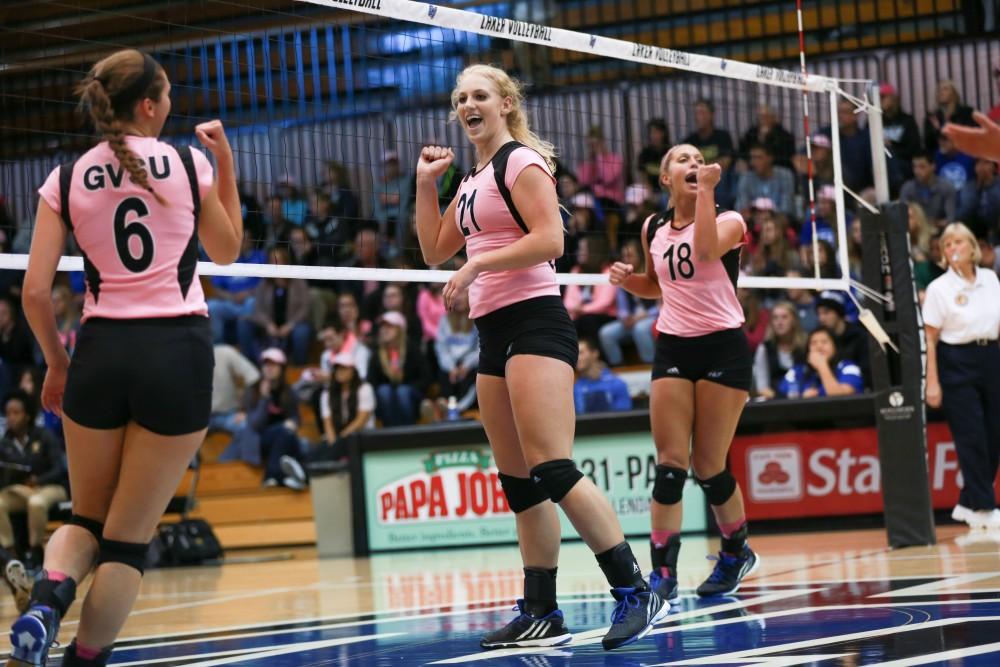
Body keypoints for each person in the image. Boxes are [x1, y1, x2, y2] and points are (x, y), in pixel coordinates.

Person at [415, 64, 666, 651]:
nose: (467, 105)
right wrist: (427, 183)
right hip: (491, 334)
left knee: (552, 466)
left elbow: (551, 240)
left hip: (535, 322)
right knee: (520, 484)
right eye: (460, 99)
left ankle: (634, 589)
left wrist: (476, 265)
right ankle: (541, 609)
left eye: (479, 95)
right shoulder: (473, 177)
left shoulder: (520, 163)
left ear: (506, 102)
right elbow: (433, 250)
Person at [15, 48, 242, 666]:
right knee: (126, 542)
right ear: (149, 105)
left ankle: (44, 603)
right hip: (177, 350)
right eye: (166, 95)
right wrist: (224, 163)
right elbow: (225, 251)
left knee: (86, 516)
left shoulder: (64, 179)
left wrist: (58, 366)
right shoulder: (187, 162)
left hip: (100, 352)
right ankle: (82, 661)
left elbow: (35, 293)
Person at [610, 143, 760, 607]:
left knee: (710, 465)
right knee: (671, 464)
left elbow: (706, 247)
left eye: (698, 159)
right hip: (674, 344)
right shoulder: (653, 225)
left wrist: (708, 193)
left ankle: (736, 552)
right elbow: (658, 286)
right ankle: (663, 572)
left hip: (723, 346)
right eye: (682, 160)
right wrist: (626, 280)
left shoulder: (729, 219)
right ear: (665, 179)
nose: (693, 164)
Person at [923, 222, 1000, 528]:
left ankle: (968, 501)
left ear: (972, 247)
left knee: (995, 432)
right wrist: (932, 381)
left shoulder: (991, 279)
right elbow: (930, 338)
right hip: (956, 359)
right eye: (947, 245)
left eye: (958, 243)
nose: (953, 249)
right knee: (972, 434)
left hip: (991, 355)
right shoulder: (939, 288)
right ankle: (984, 506)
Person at [777, 328, 864, 398]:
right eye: (813, 343)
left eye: (824, 342)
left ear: (835, 347)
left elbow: (840, 398)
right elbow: (779, 396)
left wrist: (822, 365)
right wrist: (802, 398)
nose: (819, 346)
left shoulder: (848, 367)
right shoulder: (798, 371)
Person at [752, 302, 807, 399]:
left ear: (794, 320)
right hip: (775, 403)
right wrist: (784, 399)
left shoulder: (805, 346)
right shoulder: (764, 348)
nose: (779, 322)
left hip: (805, 401)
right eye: (775, 318)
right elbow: (762, 389)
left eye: (784, 317)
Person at [574, 338, 632, 414]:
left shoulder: (616, 383)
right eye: (574, 353)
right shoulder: (575, 387)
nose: (576, 357)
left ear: (595, 353)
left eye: (581, 353)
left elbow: (625, 417)